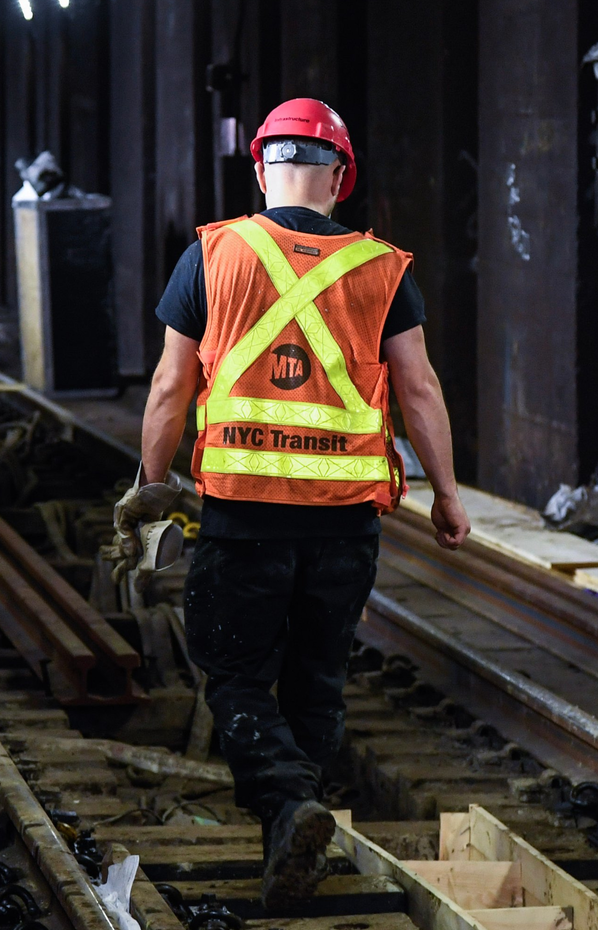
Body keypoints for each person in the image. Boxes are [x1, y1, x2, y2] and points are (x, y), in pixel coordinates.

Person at [112, 98, 471, 912]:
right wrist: (446, 496)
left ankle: (286, 806)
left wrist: (148, 487)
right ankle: (293, 832)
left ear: (261, 170)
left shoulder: (213, 254)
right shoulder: (383, 269)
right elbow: (419, 389)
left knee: (236, 678)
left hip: (244, 519)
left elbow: (170, 386)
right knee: (317, 681)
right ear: (341, 178)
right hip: (344, 523)